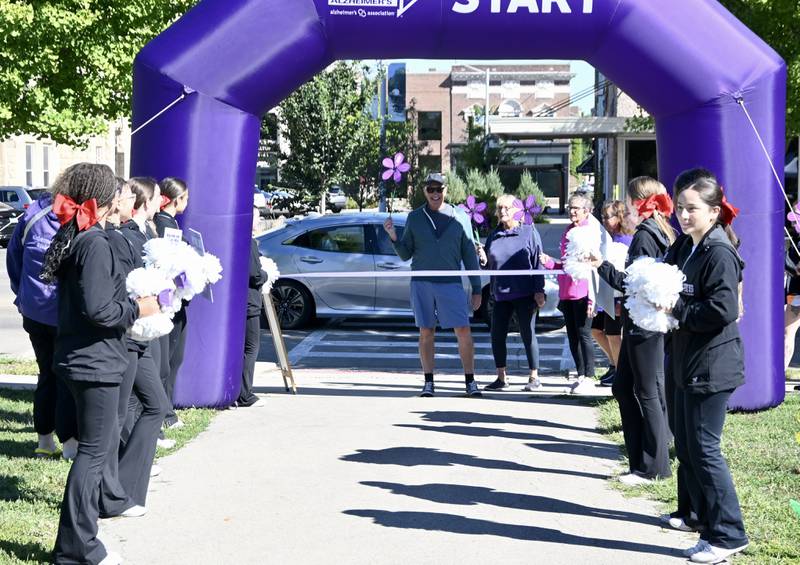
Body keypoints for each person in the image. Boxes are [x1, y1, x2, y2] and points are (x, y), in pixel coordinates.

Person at [41, 163, 159, 565]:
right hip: (94, 362)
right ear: (106, 199)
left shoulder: (88, 236)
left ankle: (81, 537)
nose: (127, 197)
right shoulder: (93, 241)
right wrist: (139, 307)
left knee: (95, 451)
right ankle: (77, 548)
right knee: (93, 454)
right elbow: (99, 309)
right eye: (121, 192)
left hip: (86, 358)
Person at [664, 175, 749, 563]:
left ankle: (729, 535)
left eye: (691, 208)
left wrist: (677, 309)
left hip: (712, 366)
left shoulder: (718, 251)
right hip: (686, 361)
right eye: (679, 206)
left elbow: (724, 309)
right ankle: (704, 524)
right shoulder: (687, 245)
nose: (683, 214)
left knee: (704, 449)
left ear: (714, 212)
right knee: (688, 447)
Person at [590, 177, 674, 484]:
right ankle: (641, 460)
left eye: (628, 201)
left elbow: (636, 284)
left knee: (646, 392)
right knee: (625, 387)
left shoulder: (645, 237)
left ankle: (653, 466)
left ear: (639, 203)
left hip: (645, 323)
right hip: (642, 321)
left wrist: (602, 265)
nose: (625, 207)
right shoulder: (657, 232)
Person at [383, 172, 482, 397]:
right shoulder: (415, 218)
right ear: (424, 191)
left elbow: (469, 256)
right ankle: (428, 382)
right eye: (431, 189)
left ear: (446, 190)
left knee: (464, 331)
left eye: (439, 189)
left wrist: (477, 288)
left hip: (451, 283)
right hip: (422, 283)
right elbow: (405, 255)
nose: (435, 193)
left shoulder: (460, 217)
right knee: (426, 332)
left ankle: (470, 381)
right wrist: (393, 236)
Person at [106, 177, 170, 509]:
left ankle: (127, 480)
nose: (133, 201)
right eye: (128, 196)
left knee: (155, 405)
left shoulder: (133, 234)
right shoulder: (115, 238)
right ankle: (116, 489)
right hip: (127, 333)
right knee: (116, 417)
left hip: (140, 329)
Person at [6, 190, 78, 459]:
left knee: (46, 374)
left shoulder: (34, 213)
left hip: (34, 312)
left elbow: (14, 259)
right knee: (67, 378)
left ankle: (44, 442)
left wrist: (23, 295)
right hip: (64, 315)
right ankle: (70, 444)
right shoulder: (83, 214)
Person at [478, 194, 546, 391]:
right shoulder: (494, 234)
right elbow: (490, 266)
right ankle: (501, 377)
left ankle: (534, 376)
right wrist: (483, 259)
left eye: (507, 207)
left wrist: (539, 290)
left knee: (527, 333)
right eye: (500, 208)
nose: (503, 211)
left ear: (517, 210)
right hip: (500, 294)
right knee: (497, 334)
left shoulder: (528, 231)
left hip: (525, 293)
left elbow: (537, 261)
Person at [542, 191, 596, 394]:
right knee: (572, 335)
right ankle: (581, 374)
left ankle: (589, 376)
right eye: (570, 207)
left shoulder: (590, 231)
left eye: (576, 208)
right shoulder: (567, 231)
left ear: (586, 211)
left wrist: (593, 297)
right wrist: (549, 263)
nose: (572, 211)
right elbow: (565, 264)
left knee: (584, 334)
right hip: (566, 291)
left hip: (583, 291)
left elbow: (593, 266)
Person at [153, 177, 190, 429]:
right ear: (176, 199)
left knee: (171, 359)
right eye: (186, 198)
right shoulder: (164, 225)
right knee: (168, 360)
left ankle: (167, 409)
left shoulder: (167, 222)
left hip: (171, 299)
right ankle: (166, 413)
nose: (187, 203)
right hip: (169, 300)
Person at [593, 200, 634, 387]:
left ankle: (621, 373)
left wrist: (619, 298)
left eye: (607, 216)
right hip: (609, 294)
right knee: (607, 333)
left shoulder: (626, 241)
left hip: (619, 295)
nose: (604, 220)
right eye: (602, 216)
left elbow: (621, 272)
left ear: (619, 217)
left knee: (614, 335)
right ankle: (617, 368)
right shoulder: (610, 238)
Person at [238, 206, 269, 407]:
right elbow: (254, 274)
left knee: (247, 347)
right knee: (251, 347)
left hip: (246, 301)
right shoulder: (248, 242)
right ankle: (244, 394)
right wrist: (266, 274)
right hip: (250, 302)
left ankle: (242, 390)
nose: (258, 222)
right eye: (257, 217)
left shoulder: (244, 240)